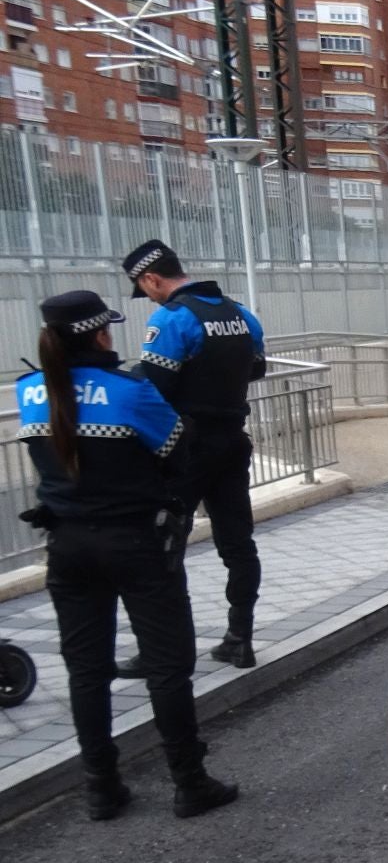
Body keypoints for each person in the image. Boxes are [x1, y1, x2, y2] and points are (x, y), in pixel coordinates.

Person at [19, 291, 240, 821]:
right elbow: (174, 451)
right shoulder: (129, 391)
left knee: (86, 670)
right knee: (167, 667)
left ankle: (102, 787)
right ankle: (189, 782)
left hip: (67, 546)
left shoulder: (31, 391)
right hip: (136, 543)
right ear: (100, 334)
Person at [118, 240, 266, 672]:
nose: (148, 295)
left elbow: (154, 389)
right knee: (238, 546)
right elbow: (255, 369)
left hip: (187, 451)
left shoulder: (172, 318)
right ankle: (240, 639)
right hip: (233, 442)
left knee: (163, 549)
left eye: (144, 288)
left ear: (151, 278)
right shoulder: (240, 313)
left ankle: (163, 650)